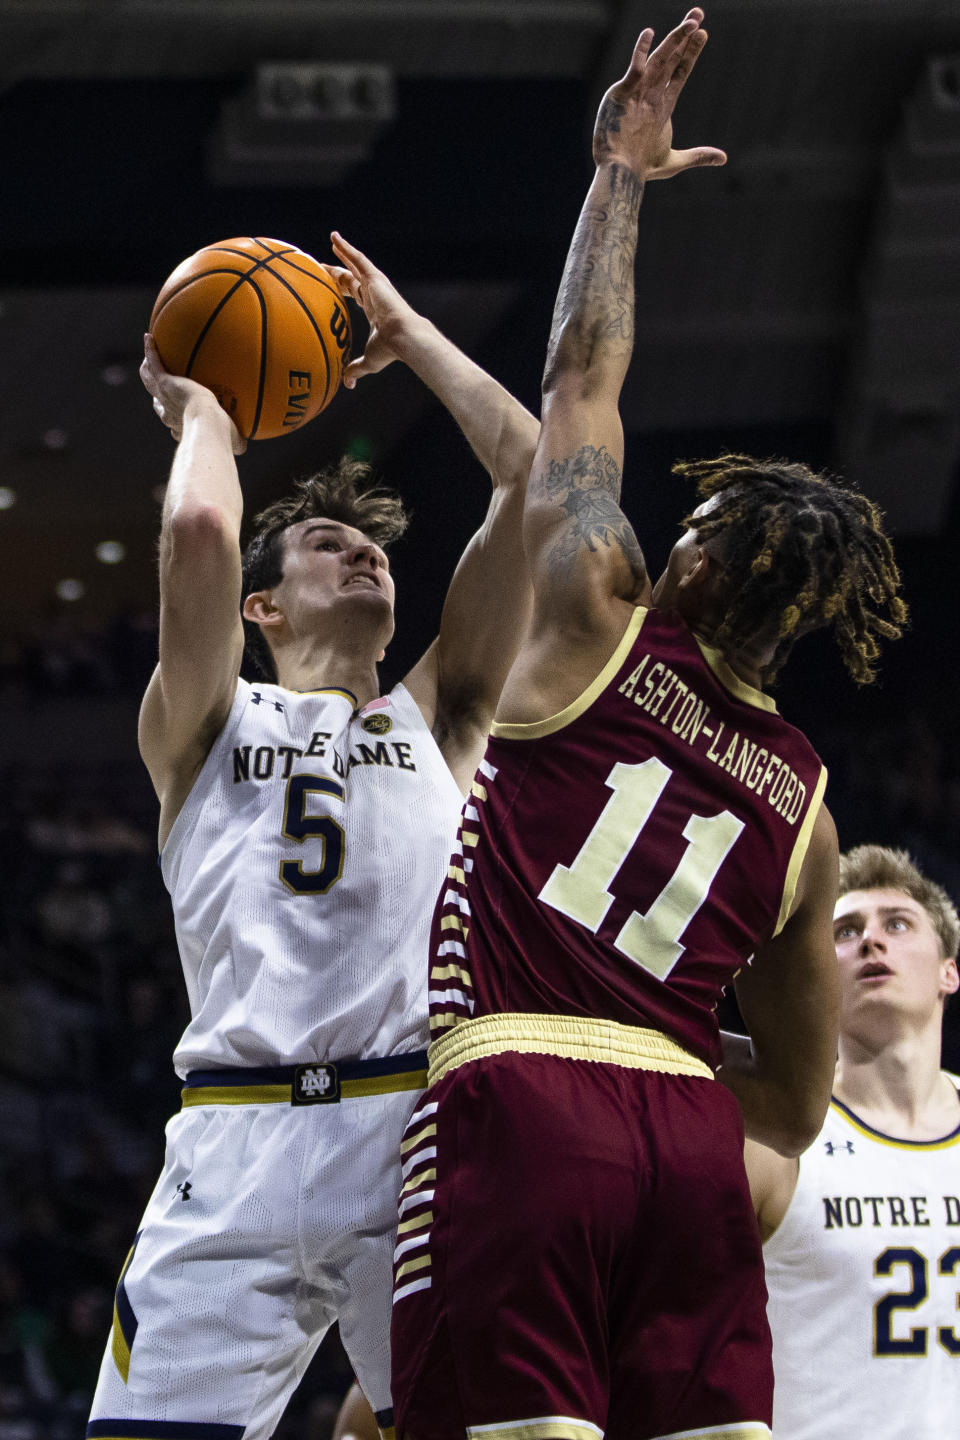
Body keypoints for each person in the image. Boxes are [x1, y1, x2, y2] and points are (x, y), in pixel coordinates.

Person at [389, 11, 908, 1440]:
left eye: (693, 518)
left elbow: (578, 382)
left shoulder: (600, 613)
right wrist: (659, 1038)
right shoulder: (807, 802)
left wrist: (618, 174)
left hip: (521, 1099)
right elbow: (798, 1101)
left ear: (691, 561)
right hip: (686, 1133)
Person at [84, 236, 539, 1440]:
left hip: (414, 1135)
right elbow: (193, 536)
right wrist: (208, 418)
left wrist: (414, 335)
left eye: (374, 541)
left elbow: (538, 482)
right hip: (235, 1139)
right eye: (327, 545)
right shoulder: (207, 720)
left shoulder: (440, 715)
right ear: (262, 606)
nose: (366, 549)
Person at [746, 845, 960, 1439]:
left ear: (950, 970)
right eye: (845, 931)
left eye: (897, 924)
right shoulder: (772, 1138)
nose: (871, 941)